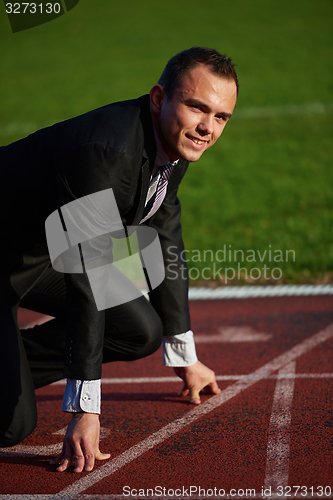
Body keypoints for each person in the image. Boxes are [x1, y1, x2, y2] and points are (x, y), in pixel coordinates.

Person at [0, 47, 238, 472]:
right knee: (9, 425)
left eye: (221, 116)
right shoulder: (105, 150)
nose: (208, 127)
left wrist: (183, 354)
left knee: (137, 330)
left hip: (34, 257)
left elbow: (164, 236)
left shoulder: (176, 143)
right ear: (158, 98)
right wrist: (85, 409)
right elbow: (88, 274)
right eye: (197, 107)